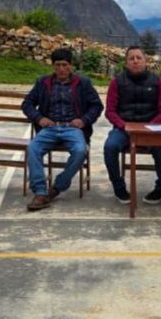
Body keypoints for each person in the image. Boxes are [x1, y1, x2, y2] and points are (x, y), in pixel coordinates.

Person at [22, 48, 104, 211]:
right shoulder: (43, 83)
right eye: (57, 65)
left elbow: (97, 105)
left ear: (71, 65)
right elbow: (27, 104)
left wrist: (84, 120)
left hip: (72, 128)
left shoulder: (83, 83)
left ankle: (57, 187)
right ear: (53, 66)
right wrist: (40, 118)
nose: (61, 69)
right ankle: (40, 192)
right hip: (50, 127)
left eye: (65, 65)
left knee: (81, 151)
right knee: (33, 148)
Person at [103, 46, 161, 204]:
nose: (135, 61)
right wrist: (123, 125)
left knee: (160, 149)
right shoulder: (117, 82)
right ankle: (119, 188)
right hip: (123, 128)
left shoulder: (158, 82)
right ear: (126, 63)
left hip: (150, 128)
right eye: (131, 58)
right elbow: (110, 111)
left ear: (145, 61)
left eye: (139, 58)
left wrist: (148, 128)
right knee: (110, 147)